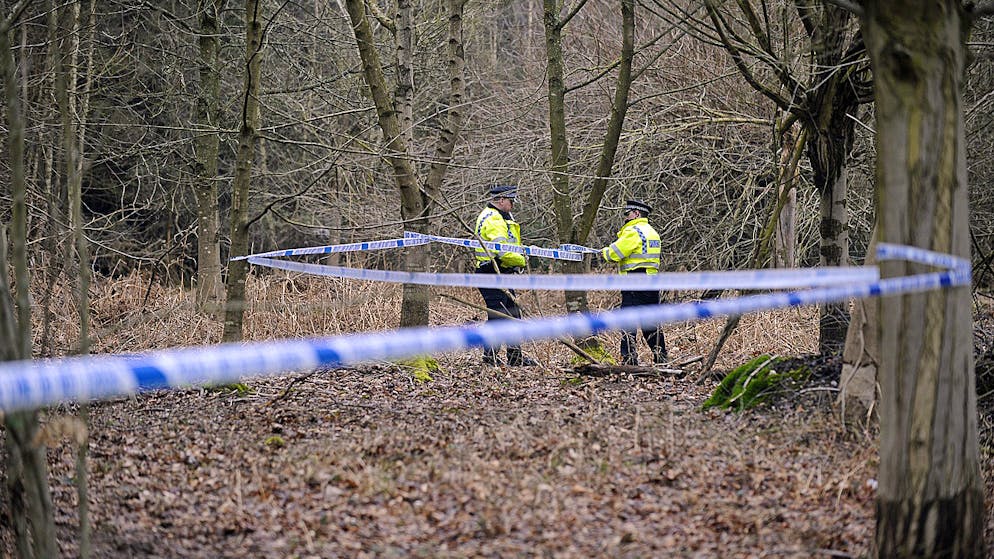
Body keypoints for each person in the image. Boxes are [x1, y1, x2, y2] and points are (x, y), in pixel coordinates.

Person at [474, 184, 537, 367]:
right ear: (501, 200)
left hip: (501, 272)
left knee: (513, 314)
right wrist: (522, 260)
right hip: (491, 271)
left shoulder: (501, 216)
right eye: (511, 201)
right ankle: (490, 357)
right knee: (498, 316)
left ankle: (515, 357)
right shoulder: (493, 219)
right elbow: (502, 251)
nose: (513, 205)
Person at [600, 199, 668, 365]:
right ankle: (661, 357)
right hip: (651, 281)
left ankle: (629, 358)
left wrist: (603, 252)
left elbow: (614, 254)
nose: (625, 217)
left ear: (636, 213)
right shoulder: (652, 232)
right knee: (651, 323)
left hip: (634, 280)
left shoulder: (633, 231)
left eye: (627, 213)